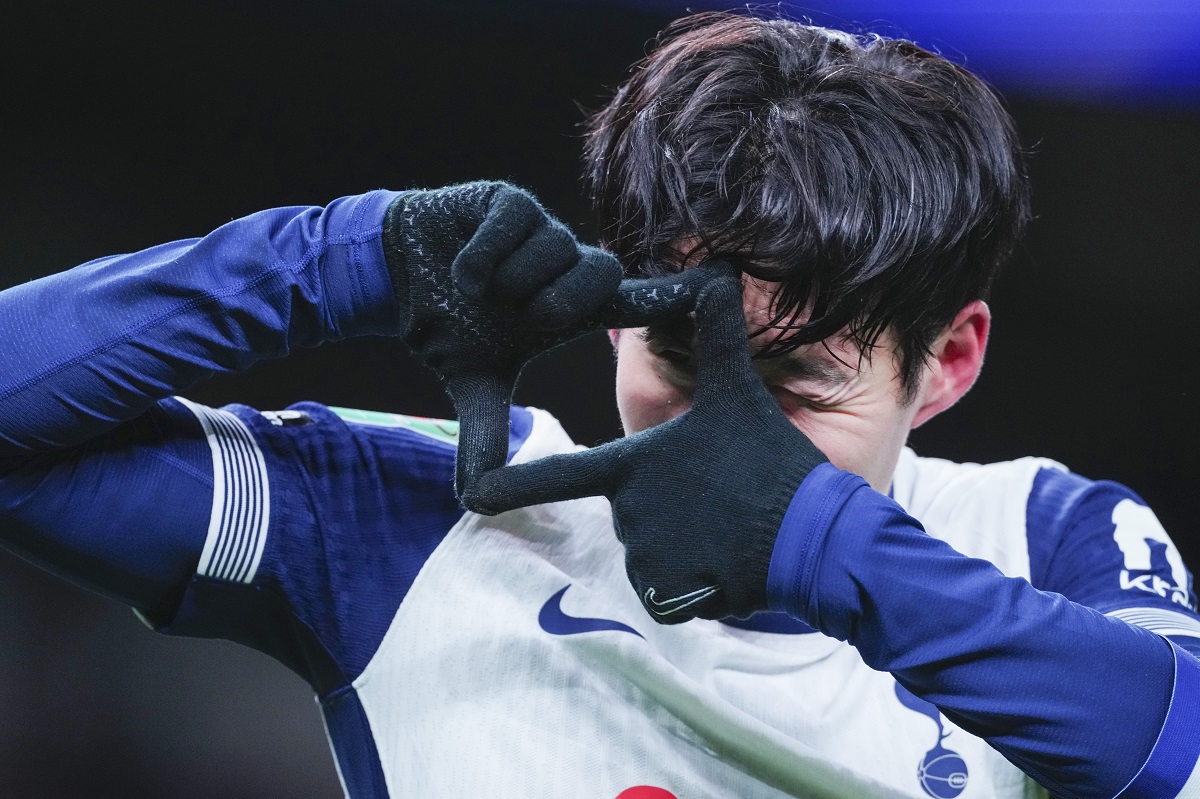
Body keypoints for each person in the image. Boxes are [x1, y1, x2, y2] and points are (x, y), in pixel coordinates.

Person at [0, 10, 1196, 799]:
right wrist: (333, 258)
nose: (721, 434)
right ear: (619, 311)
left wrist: (818, 543)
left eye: (795, 386)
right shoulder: (428, 525)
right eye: (683, 357)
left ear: (947, 364)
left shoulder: (1043, 536)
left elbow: (1177, 749)